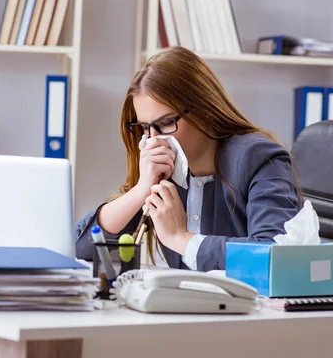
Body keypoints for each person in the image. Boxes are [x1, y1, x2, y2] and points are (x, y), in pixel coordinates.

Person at [75, 46, 302, 272]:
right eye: (144, 128)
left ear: (203, 110)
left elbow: (274, 255)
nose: (153, 140)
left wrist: (181, 238)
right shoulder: (164, 171)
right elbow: (81, 248)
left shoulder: (258, 158)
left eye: (165, 123)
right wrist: (141, 190)